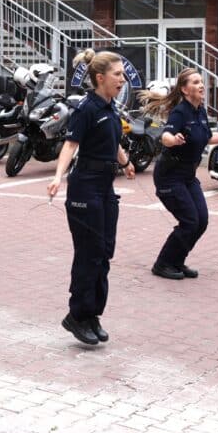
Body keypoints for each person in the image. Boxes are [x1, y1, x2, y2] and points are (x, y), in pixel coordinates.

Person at [47, 49, 135, 345]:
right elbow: (71, 146)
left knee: (104, 253)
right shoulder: (86, 109)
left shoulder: (111, 108)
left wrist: (125, 162)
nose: (122, 79)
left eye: (122, 74)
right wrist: (58, 176)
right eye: (118, 74)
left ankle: (92, 313)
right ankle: (76, 315)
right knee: (89, 254)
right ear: (101, 77)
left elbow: (115, 141)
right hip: (85, 187)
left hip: (105, 187)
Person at [140, 68, 218, 280]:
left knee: (201, 221)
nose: (201, 85)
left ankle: (177, 260)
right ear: (184, 89)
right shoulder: (180, 112)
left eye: (201, 81)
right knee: (190, 221)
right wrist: (174, 140)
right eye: (195, 82)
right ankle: (163, 264)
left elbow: (208, 137)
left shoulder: (199, 110)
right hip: (169, 175)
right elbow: (166, 136)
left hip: (188, 176)